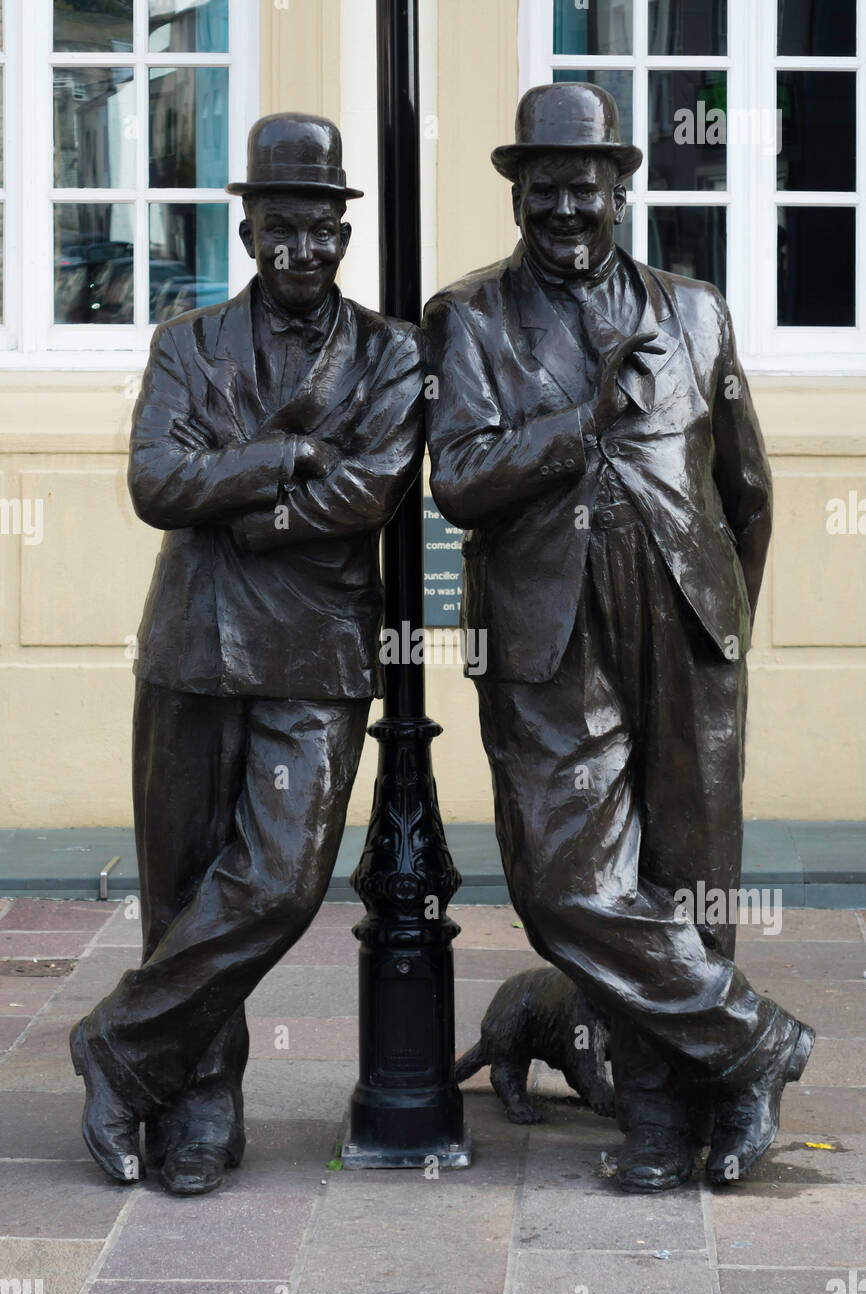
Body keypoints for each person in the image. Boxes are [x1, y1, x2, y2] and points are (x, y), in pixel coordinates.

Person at [424, 83, 813, 1191]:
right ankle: (753, 1046)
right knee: (565, 885)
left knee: (688, 878)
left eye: (582, 190)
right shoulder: (468, 318)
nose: (563, 211)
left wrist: (720, 618)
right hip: (548, 631)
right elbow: (456, 478)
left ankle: (664, 1119)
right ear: (514, 193)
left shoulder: (695, 310)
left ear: (619, 190)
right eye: (542, 191)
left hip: (685, 622)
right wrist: (573, 427)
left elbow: (745, 486)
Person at [70, 114, 424, 1196]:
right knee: (182, 890)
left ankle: (119, 1044)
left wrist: (252, 505)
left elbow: (373, 486)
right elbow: (154, 484)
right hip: (188, 646)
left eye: (321, 228)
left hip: (313, 651)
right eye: (281, 227)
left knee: (275, 880)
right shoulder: (186, 343)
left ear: (344, 233)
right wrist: (283, 456)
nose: (302, 249)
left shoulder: (389, 351)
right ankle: (199, 1100)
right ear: (247, 228)